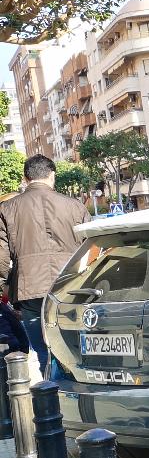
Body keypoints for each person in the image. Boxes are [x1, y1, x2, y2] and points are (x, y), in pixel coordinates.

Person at [0, 155, 90, 372]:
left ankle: (50, 398)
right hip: (70, 288)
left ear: (25, 177)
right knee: (76, 350)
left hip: (30, 289)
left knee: (44, 352)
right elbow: (92, 249)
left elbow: (1, 256)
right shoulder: (75, 206)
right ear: (52, 176)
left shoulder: (7, 209)